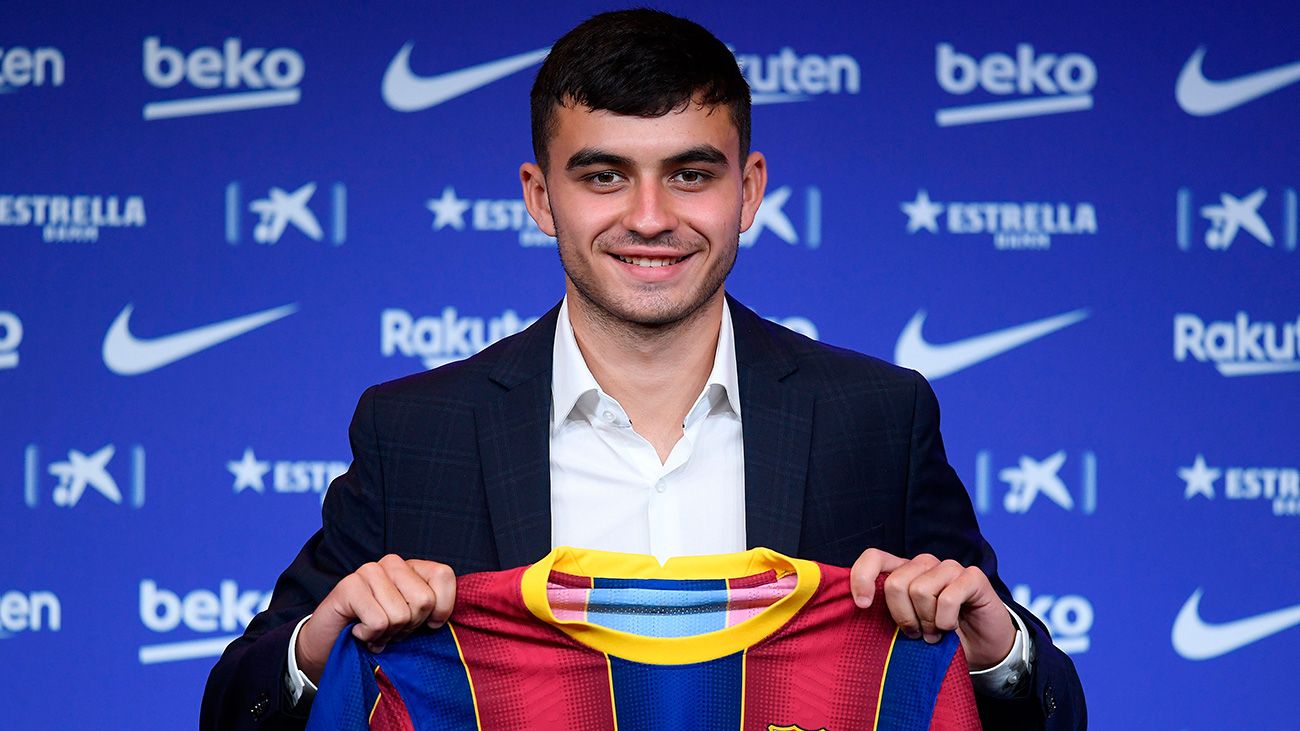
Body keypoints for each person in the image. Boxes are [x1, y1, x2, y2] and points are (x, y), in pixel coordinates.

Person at [201, 9, 1085, 729]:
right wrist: (322, 644)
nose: (651, 216)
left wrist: (994, 650)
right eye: (605, 176)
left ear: (751, 189)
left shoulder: (877, 417)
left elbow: (1048, 712)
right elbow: (234, 709)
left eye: (692, 173)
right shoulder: (418, 429)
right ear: (541, 196)